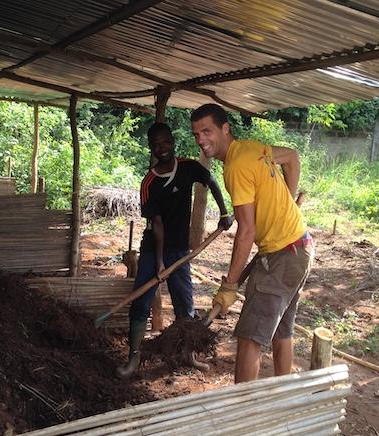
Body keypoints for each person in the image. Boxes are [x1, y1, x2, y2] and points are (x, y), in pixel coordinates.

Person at [190, 104, 314, 383]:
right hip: (300, 247)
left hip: (282, 256)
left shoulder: (235, 166)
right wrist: (287, 204)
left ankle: (241, 411)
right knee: (282, 331)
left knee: (249, 339)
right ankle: (283, 394)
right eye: (196, 134)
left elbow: (246, 230)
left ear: (225, 129)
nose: (201, 139)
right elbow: (292, 157)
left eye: (207, 131)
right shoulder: (250, 148)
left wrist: (230, 285)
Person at [116, 122, 232, 379]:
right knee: (141, 302)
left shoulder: (189, 167)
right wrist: (158, 263)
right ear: (151, 148)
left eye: (166, 142)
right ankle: (134, 358)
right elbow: (156, 225)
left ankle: (187, 354)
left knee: (184, 302)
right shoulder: (149, 183)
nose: (162, 148)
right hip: (152, 250)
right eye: (156, 145)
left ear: (173, 141)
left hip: (180, 251)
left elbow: (211, 180)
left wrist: (224, 212)